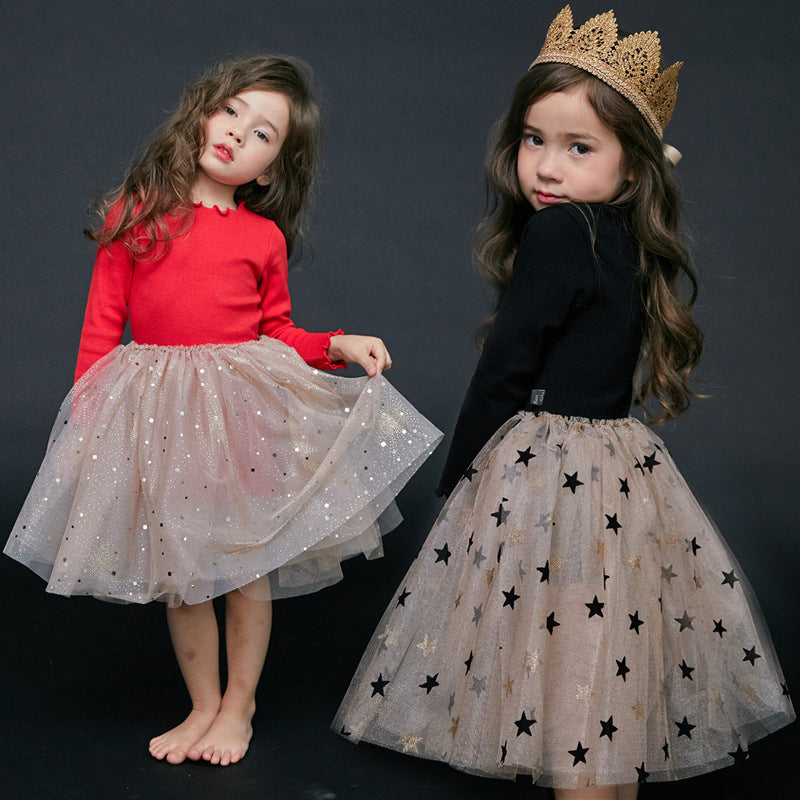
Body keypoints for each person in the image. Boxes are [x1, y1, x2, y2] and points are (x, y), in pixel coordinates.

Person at [333, 8, 794, 797]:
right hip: (620, 463)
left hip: (552, 463)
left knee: (565, 633)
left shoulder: (558, 234)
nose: (546, 167)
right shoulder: (624, 237)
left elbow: (506, 366)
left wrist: (462, 474)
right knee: (603, 634)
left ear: (633, 167)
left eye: (579, 147)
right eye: (533, 140)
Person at [4, 54, 441, 768]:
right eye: (231, 111)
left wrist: (336, 343)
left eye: (263, 132)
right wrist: (87, 422)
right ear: (203, 114)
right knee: (182, 573)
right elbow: (101, 326)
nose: (238, 132)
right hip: (159, 416)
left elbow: (277, 331)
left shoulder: (262, 238)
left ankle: (239, 705)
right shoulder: (136, 210)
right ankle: (203, 705)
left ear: (271, 170)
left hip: (241, 415)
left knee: (244, 569)